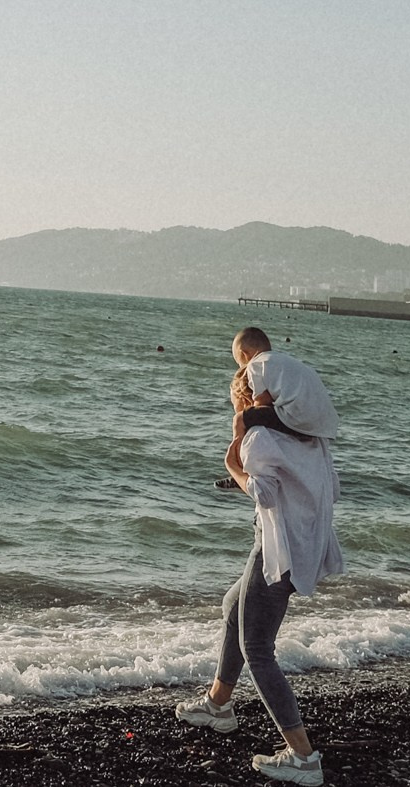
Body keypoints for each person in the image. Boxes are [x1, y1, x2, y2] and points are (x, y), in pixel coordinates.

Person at [175, 326, 343, 785]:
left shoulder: (257, 439)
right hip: (299, 543)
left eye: (236, 404)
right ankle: (218, 705)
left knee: (258, 649)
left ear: (248, 399)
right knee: (234, 606)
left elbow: (266, 492)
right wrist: (250, 477)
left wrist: (236, 465)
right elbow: (305, 486)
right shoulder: (310, 441)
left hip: (278, 550)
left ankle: (303, 757)